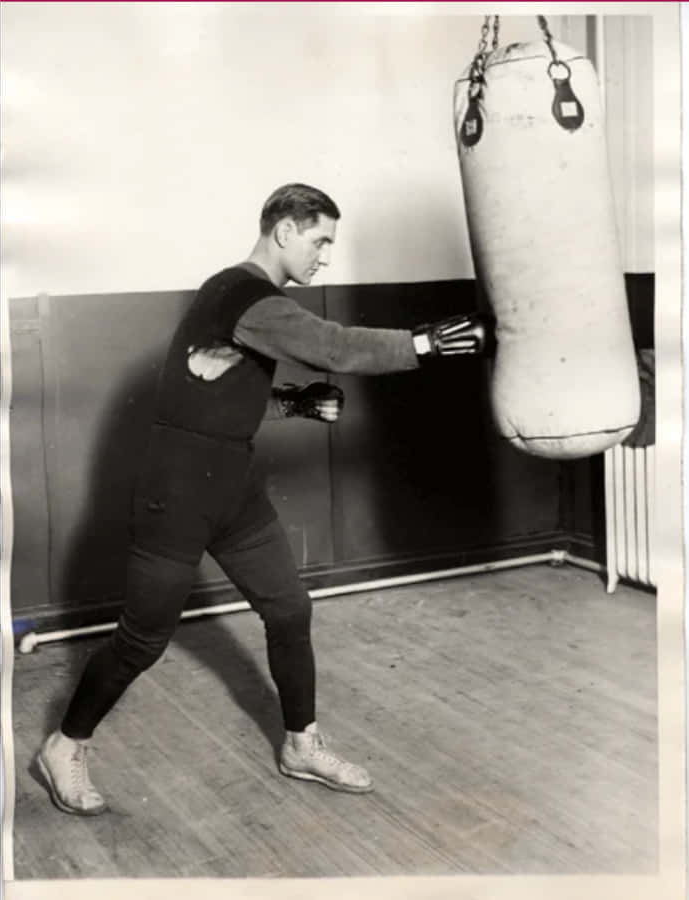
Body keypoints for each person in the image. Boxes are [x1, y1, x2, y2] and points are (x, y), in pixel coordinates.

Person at [37, 183, 492, 815]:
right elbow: (333, 347)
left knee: (288, 609)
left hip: (232, 491)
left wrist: (294, 403)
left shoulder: (232, 301)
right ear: (284, 231)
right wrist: (423, 344)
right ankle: (64, 744)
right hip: (177, 496)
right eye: (320, 240)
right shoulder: (248, 294)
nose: (325, 257)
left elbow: (208, 394)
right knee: (142, 641)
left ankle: (301, 744)